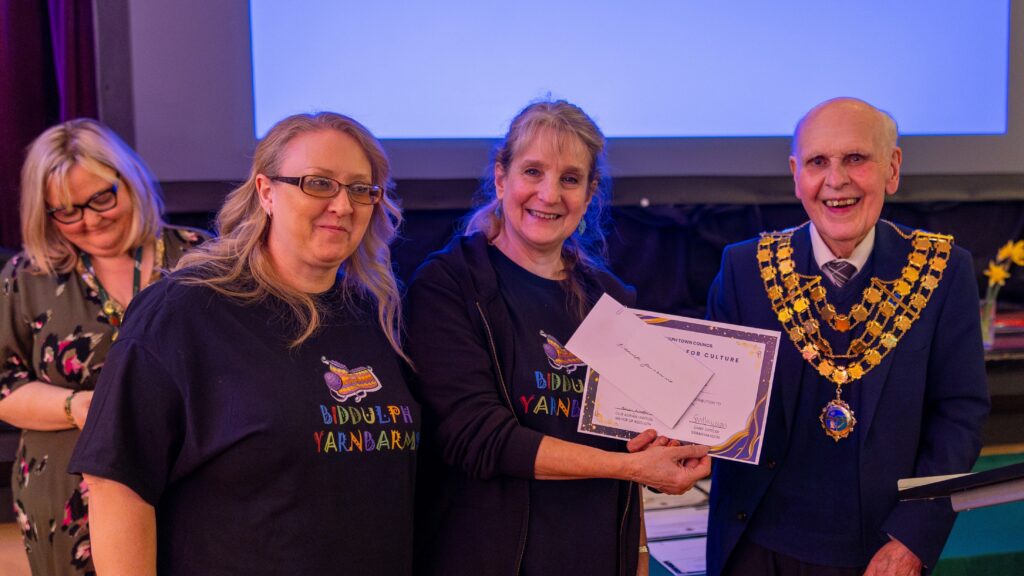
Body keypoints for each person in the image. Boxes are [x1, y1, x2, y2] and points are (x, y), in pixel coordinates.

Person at [68, 112, 419, 575]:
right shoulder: (182, 312)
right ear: (266, 192)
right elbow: (116, 485)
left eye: (361, 189)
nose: (342, 205)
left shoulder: (380, 314)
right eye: (318, 184)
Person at [406, 99, 711, 576]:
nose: (549, 194)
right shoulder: (448, 286)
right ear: (501, 177)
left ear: (589, 195)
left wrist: (641, 546)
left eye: (570, 179)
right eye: (533, 171)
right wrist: (631, 469)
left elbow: (634, 437)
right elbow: (480, 438)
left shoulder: (609, 298)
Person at [705, 97, 990, 576]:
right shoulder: (745, 270)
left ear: (892, 169)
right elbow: (710, 400)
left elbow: (959, 415)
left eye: (856, 159)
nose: (835, 181)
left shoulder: (942, 272)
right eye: (818, 162)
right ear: (797, 175)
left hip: (881, 554)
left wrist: (913, 539)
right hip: (759, 549)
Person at [0, 119, 205, 576]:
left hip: (186, 487)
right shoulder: (25, 278)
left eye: (101, 199)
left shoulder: (201, 260)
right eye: (67, 212)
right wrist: (81, 407)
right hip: (65, 499)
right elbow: (3, 386)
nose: (90, 220)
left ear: (129, 180)